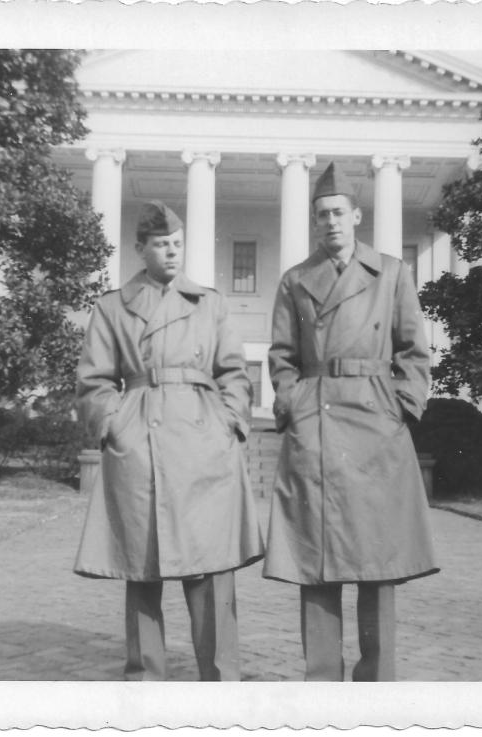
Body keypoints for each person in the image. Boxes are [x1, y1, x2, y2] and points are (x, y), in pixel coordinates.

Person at [74, 200, 265, 681]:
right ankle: (145, 683)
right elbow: (94, 381)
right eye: (161, 244)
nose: (172, 252)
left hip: (205, 444)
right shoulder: (113, 307)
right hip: (141, 440)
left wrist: (230, 423)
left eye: (177, 243)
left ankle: (220, 684)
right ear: (141, 248)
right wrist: (115, 425)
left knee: (212, 568)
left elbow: (234, 373)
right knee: (142, 569)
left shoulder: (210, 303)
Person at [263, 162, 438, 681]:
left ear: (357, 216)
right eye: (322, 215)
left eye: (339, 212)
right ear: (315, 221)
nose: (331, 222)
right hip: (316, 422)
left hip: (375, 422)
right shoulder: (296, 280)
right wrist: (294, 403)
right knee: (316, 559)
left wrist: (400, 407)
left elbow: (414, 351)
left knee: (376, 561)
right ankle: (322, 686)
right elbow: (282, 356)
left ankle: (375, 687)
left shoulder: (391, 273)